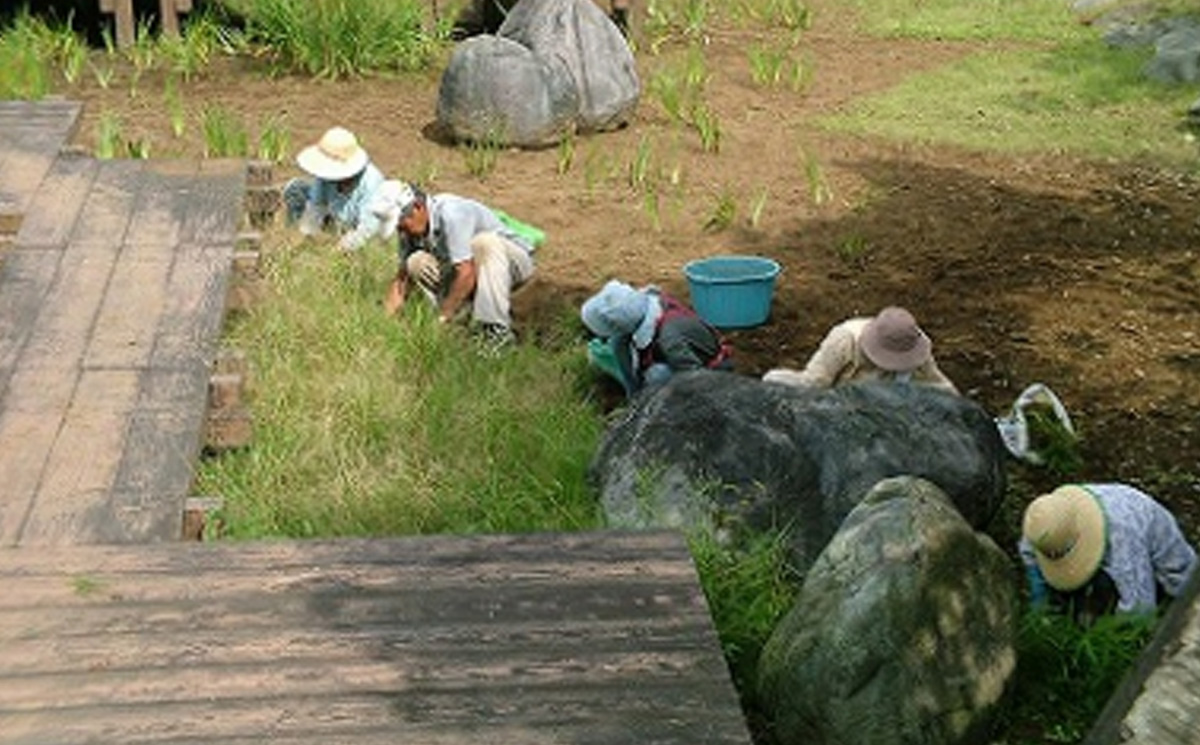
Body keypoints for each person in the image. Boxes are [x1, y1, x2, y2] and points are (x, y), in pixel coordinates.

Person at [369, 180, 535, 349]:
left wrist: (443, 318)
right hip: (468, 271)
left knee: (484, 243)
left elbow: (466, 272)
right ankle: (463, 324)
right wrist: (380, 327)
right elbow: (402, 280)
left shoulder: (452, 213)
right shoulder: (408, 230)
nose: (400, 231)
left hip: (510, 262)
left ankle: (497, 333)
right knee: (415, 261)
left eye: (401, 224)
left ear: (418, 207)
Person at [1019, 483, 1197, 622]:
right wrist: (1040, 605)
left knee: (1185, 592)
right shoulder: (1045, 525)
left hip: (1152, 537)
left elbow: (1139, 609)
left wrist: (1109, 639)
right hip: (1112, 532)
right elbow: (1030, 557)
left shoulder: (1123, 538)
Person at [581, 279, 732, 396]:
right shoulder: (640, 307)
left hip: (709, 370)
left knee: (657, 375)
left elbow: (696, 379)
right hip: (672, 356)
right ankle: (635, 400)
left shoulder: (671, 339)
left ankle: (659, 408)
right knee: (618, 343)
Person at [761, 306, 958, 395]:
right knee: (773, 380)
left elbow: (940, 386)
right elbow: (814, 383)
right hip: (843, 401)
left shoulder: (912, 343)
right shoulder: (844, 340)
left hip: (892, 403)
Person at [282, 126, 386, 252]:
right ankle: (292, 231)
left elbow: (368, 230)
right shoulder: (324, 177)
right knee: (295, 188)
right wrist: (304, 237)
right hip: (335, 218)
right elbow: (315, 207)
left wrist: (336, 251)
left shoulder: (371, 183)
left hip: (360, 227)